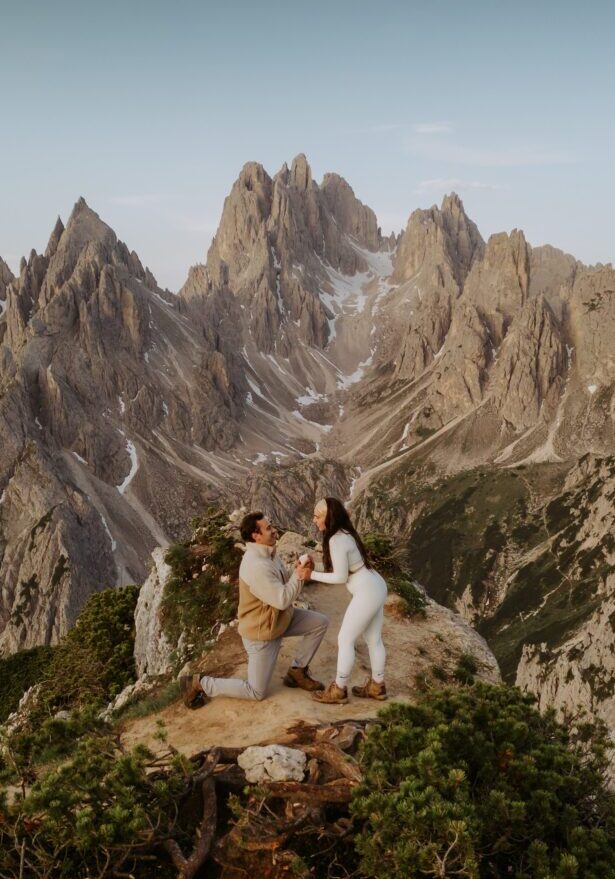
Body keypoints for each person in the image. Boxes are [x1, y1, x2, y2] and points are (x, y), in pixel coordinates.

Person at [180, 511, 328, 707]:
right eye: (269, 528)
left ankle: (297, 672)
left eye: (272, 525)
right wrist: (299, 576)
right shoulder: (257, 566)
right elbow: (282, 599)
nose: (275, 530)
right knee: (256, 692)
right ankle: (199, 683)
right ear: (255, 536)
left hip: (278, 620)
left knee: (319, 623)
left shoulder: (268, 553)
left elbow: (283, 585)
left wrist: (299, 570)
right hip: (262, 633)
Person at [309, 497, 388, 704]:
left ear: (328, 517)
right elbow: (341, 568)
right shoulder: (345, 533)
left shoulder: (335, 540)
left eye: (317, 516)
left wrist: (310, 575)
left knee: (345, 640)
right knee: (374, 640)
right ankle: (377, 686)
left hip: (366, 591)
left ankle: (339, 689)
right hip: (376, 584)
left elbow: (339, 577)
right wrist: (314, 568)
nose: (314, 520)